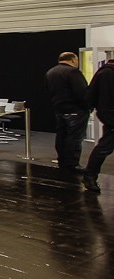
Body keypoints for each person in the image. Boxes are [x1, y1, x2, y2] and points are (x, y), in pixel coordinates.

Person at [44, 52, 89, 173]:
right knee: (74, 138)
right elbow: (81, 93)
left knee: (62, 136)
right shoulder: (73, 72)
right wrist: (88, 106)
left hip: (59, 109)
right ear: (73, 60)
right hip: (75, 110)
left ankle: (62, 161)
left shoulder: (51, 72)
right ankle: (72, 164)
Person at [83, 58, 114, 193]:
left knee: (104, 147)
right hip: (110, 115)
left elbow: (90, 96)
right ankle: (89, 176)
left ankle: (90, 176)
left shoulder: (104, 72)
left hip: (108, 114)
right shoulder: (107, 73)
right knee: (104, 147)